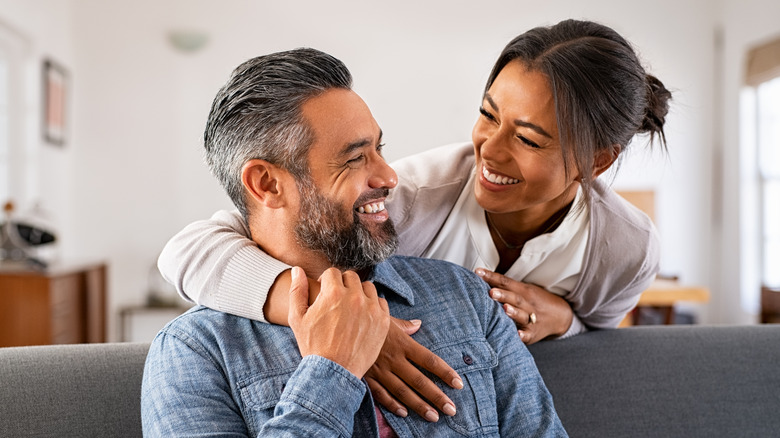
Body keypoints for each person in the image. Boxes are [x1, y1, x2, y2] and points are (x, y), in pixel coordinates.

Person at [158, 19, 670, 419]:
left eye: (529, 138)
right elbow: (191, 249)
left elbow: (600, 334)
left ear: (597, 161)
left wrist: (565, 320)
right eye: (488, 114)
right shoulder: (410, 196)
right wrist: (344, 321)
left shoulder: (627, 248)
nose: (488, 151)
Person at [141, 47, 567, 437]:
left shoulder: (466, 297)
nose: (388, 177)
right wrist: (331, 371)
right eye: (355, 158)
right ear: (267, 184)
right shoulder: (195, 352)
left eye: (380, 149)